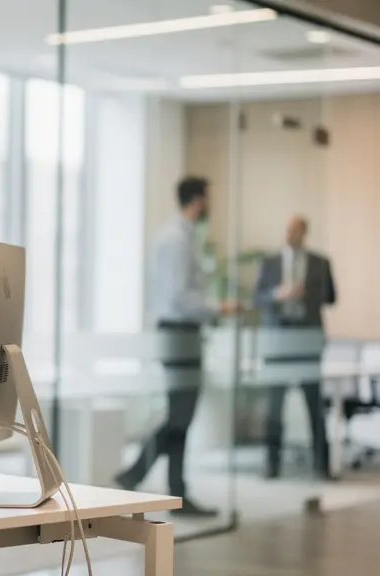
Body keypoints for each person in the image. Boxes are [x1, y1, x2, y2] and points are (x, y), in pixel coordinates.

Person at [114, 177, 239, 517]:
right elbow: (179, 297)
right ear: (197, 200)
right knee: (180, 414)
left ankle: (172, 489)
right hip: (179, 333)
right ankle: (135, 474)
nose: (210, 205)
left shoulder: (181, 237)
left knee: (180, 415)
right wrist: (218, 307)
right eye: (208, 198)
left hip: (183, 334)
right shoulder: (176, 241)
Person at [252, 215, 336, 479]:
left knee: (315, 405)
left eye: (295, 230)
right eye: (287, 229)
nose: (289, 234)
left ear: (304, 232)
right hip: (278, 342)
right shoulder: (270, 262)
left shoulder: (320, 263)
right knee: (274, 405)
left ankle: (322, 465)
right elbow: (257, 297)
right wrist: (279, 294)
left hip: (307, 340)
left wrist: (306, 293)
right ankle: (271, 464)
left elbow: (331, 297)